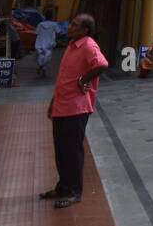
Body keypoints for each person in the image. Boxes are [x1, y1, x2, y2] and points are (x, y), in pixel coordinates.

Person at [40, 13, 108, 209]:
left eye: (75, 25)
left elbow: (102, 64)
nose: (70, 27)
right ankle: (63, 186)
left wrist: (84, 80)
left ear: (85, 30)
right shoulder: (72, 45)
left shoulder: (88, 45)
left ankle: (73, 192)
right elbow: (64, 77)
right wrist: (54, 102)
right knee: (61, 150)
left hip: (76, 107)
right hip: (63, 104)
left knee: (72, 151)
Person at [34, 12, 59, 78]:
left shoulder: (40, 24)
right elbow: (58, 32)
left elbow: (36, 33)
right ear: (52, 17)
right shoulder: (54, 24)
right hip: (49, 43)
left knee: (41, 57)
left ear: (44, 17)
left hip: (40, 43)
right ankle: (42, 68)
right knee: (47, 57)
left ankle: (41, 68)